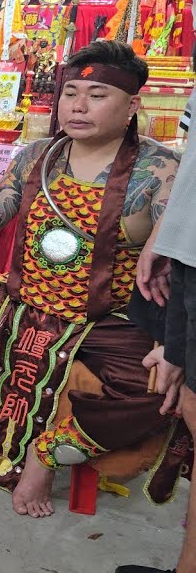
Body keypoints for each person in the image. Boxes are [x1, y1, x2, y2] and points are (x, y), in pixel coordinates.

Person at [0, 40, 186, 517]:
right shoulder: (37, 158)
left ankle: (47, 450)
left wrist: (172, 337)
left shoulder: (160, 170)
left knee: (160, 388)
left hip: (108, 316)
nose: (79, 106)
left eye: (96, 94)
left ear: (132, 105)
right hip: (23, 298)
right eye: (71, 93)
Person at [117, 90, 196, 573]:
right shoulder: (41, 158)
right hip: (188, 251)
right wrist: (167, 237)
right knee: (188, 400)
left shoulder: (152, 165)